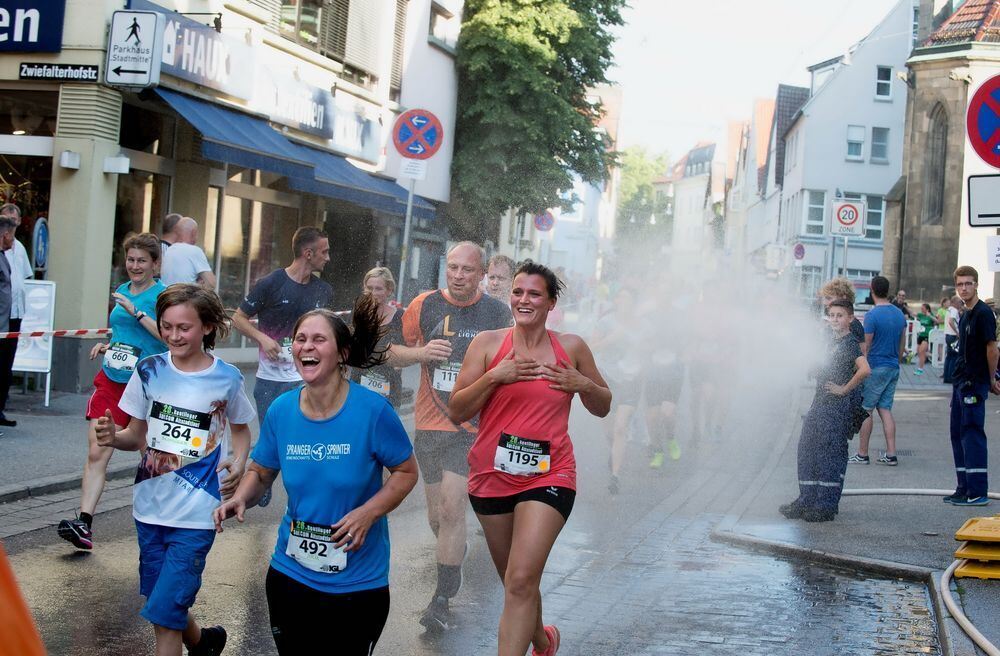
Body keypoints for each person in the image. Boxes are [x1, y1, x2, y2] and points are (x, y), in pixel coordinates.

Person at [213, 297, 418, 655]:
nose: (306, 346)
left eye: (318, 339)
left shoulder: (373, 411)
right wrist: (240, 497)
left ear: (342, 353)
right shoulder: (282, 410)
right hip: (291, 572)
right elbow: (262, 469)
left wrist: (368, 513)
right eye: (300, 339)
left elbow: (406, 472)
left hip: (357, 582)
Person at [449, 261, 610, 656]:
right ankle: (543, 640)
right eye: (518, 292)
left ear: (550, 302)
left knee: (521, 579)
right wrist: (494, 377)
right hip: (490, 475)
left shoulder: (570, 347)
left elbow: (603, 405)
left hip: (550, 475)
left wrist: (583, 383)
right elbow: (456, 409)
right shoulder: (488, 344)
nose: (524, 299)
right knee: (515, 581)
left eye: (534, 293)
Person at [94, 284, 255, 656]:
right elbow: (135, 436)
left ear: (208, 327)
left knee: (166, 614)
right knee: (160, 601)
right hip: (149, 507)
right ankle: (203, 642)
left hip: (198, 513)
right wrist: (110, 436)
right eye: (167, 326)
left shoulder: (227, 378)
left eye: (184, 327)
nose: (173, 335)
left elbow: (242, 428)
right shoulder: (149, 370)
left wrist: (240, 459)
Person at [389, 241, 512, 631]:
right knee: (437, 517)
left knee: (452, 507)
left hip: (472, 427)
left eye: (467, 270)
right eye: (453, 268)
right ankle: (453, 555)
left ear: (481, 276)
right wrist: (421, 354)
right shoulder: (423, 304)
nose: (459, 276)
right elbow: (390, 352)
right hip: (429, 422)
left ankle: (440, 600)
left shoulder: (497, 312)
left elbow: (511, 362)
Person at [57, 233, 167, 550]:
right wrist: (108, 345)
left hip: (145, 383)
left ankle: (161, 521)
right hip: (112, 379)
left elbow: (166, 335)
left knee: (148, 455)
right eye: (130, 260)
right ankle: (84, 523)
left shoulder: (162, 297)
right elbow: (121, 333)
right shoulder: (121, 290)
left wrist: (136, 311)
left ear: (154, 264)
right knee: (96, 449)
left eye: (141, 261)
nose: (134, 266)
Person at [231, 226, 332, 505]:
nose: (328, 258)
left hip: (304, 379)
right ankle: (263, 482)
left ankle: (302, 494)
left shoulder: (323, 291)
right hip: (268, 379)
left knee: (301, 436)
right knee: (271, 437)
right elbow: (238, 318)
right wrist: (263, 338)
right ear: (307, 253)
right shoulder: (271, 283)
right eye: (324, 252)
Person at [780, 299, 870, 522]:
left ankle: (825, 505)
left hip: (836, 409)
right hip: (820, 404)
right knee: (808, 447)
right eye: (832, 315)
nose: (835, 319)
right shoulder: (829, 340)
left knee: (829, 453)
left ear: (850, 318)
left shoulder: (850, 343)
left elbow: (865, 369)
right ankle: (807, 499)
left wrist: (843, 389)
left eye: (840, 315)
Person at [944, 266, 999, 507]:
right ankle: (964, 487)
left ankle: (977, 492)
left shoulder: (983, 313)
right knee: (958, 434)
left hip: (974, 383)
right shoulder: (965, 313)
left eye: (968, 283)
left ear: (977, 285)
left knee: (972, 434)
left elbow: (992, 349)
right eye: (960, 284)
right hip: (961, 382)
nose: (964, 288)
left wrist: (990, 379)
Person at [849, 276, 906, 466]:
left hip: (876, 367)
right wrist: (896, 361)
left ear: (872, 289)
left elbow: (866, 345)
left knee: (866, 410)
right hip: (892, 367)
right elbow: (902, 343)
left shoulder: (872, 316)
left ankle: (863, 454)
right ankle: (891, 454)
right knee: (885, 409)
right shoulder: (899, 314)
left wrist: (860, 366)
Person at [349, 267, 404, 408]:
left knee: (384, 428)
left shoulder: (399, 316)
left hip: (388, 386)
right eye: (369, 288)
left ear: (389, 290)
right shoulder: (359, 312)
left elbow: (402, 354)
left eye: (378, 289)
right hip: (359, 382)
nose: (373, 293)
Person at [0, 205, 29, 428]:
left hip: (15, 313)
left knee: (6, 364)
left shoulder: (18, 247)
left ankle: (1, 407)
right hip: (2, 315)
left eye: (14, 219)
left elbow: (22, 278)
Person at [160, 217, 216, 288]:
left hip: (167, 297)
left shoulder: (169, 250)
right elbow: (211, 283)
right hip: (185, 297)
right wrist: (197, 287)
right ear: (193, 233)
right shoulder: (194, 251)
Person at [819, 278, 865, 350]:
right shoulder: (833, 323)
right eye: (824, 298)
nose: (824, 302)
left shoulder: (853, 324)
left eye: (829, 298)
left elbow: (862, 353)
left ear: (843, 297)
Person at [914, 303, 938, 375]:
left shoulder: (930, 315)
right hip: (921, 335)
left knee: (921, 352)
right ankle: (933, 356)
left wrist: (929, 316)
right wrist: (905, 306)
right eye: (921, 308)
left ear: (927, 309)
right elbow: (913, 314)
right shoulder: (921, 315)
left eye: (923, 308)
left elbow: (937, 321)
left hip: (927, 336)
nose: (921, 309)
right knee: (919, 352)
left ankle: (920, 369)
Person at [943, 295, 961, 383]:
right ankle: (951, 377)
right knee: (954, 356)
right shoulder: (954, 310)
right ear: (954, 302)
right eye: (959, 302)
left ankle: (946, 376)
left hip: (947, 335)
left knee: (949, 356)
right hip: (953, 335)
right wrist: (957, 332)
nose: (960, 304)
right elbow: (951, 321)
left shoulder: (948, 310)